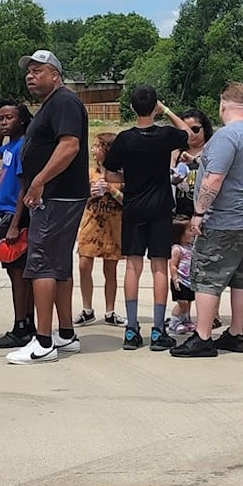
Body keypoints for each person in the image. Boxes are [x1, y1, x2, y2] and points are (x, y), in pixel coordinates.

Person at [170, 83, 243, 358]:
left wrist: (199, 213)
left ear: (223, 105)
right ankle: (236, 334)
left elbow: (214, 179)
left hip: (223, 219)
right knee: (240, 277)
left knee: (206, 277)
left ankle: (202, 336)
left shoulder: (227, 136)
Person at [6, 50, 88, 365]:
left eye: (37, 70)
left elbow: (70, 146)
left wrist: (38, 181)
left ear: (55, 74)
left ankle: (42, 342)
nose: (30, 75)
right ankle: (65, 334)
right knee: (58, 265)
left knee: (41, 263)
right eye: (28, 71)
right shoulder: (53, 103)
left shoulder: (65, 101)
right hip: (59, 195)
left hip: (56, 196)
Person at [103, 85, 191, 350]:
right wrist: (165, 110)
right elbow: (187, 133)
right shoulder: (164, 136)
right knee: (159, 267)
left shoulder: (124, 139)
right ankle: (156, 329)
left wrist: (128, 178)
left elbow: (109, 175)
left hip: (133, 207)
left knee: (132, 266)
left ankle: (131, 329)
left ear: (132, 107)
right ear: (154, 107)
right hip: (160, 208)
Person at [0, 101, 37, 350]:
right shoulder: (9, 146)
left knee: (18, 273)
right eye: (0, 118)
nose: (3, 122)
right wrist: (3, 131)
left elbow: (24, 188)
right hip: (6, 215)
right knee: (16, 272)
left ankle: (21, 325)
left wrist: (16, 224)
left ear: (23, 121)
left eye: (9, 118)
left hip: (15, 216)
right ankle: (27, 323)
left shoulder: (21, 148)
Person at [169, 107, 212, 329]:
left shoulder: (212, 150)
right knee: (180, 263)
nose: (191, 134)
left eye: (195, 129)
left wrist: (195, 160)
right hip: (180, 217)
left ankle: (209, 314)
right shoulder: (176, 153)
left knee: (207, 266)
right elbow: (170, 180)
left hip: (205, 216)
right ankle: (182, 311)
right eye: (185, 130)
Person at [75, 132, 123, 326]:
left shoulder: (121, 174)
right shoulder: (89, 173)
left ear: (107, 149)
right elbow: (79, 200)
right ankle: (87, 309)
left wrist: (112, 189)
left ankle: (110, 311)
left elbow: (127, 201)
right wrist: (90, 194)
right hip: (90, 226)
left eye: (97, 146)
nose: (93, 150)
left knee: (110, 271)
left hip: (112, 227)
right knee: (84, 266)